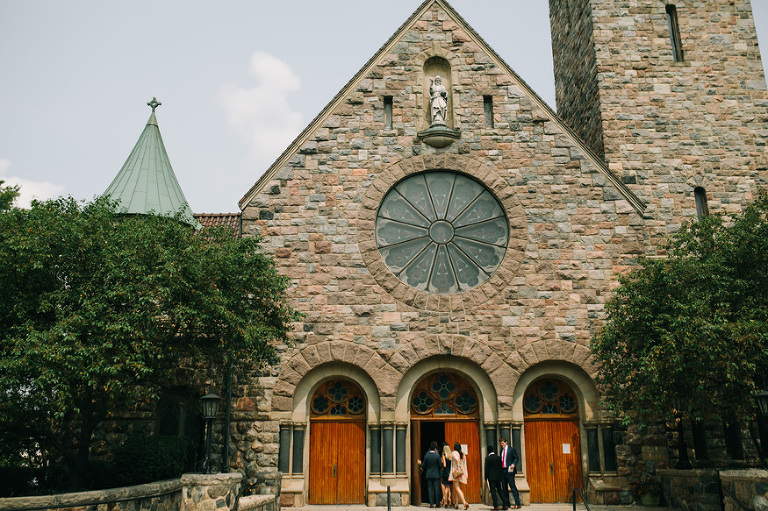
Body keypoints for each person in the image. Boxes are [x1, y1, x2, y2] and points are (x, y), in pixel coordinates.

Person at [419, 441, 443, 508]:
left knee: (430, 489)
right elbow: (440, 466)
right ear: (435, 449)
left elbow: (423, 466)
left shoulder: (426, 456)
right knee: (437, 489)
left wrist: (419, 463)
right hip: (436, 475)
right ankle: (437, 503)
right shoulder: (437, 456)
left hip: (429, 475)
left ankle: (431, 504)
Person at [500, 437, 522, 509]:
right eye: (500, 443)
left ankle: (517, 503)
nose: (501, 444)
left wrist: (513, 464)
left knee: (512, 486)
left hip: (509, 470)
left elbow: (516, 458)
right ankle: (506, 504)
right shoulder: (501, 451)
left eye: (502, 443)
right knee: (504, 487)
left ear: (506, 443)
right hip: (503, 471)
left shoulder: (511, 449)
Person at [448, 442, 468, 510]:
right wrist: (465, 473)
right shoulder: (463, 454)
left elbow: (457, 460)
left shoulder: (454, 453)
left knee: (457, 488)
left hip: (456, 472)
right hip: (461, 473)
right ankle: (456, 504)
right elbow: (465, 464)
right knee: (457, 488)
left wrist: (458, 467)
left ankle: (464, 502)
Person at [485, 444, 506, 511]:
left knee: (493, 491)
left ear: (488, 451)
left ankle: (496, 506)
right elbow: (501, 467)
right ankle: (505, 504)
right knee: (500, 490)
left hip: (491, 478)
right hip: (498, 477)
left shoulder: (488, 459)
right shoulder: (498, 457)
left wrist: (486, 478)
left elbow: (486, 469)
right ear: (493, 450)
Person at [441, 442, 453, 508]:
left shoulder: (444, 455)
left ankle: (445, 501)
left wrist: (442, 462)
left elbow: (444, 465)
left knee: (446, 487)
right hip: (450, 472)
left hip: (445, 472)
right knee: (449, 487)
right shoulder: (451, 455)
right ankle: (449, 499)